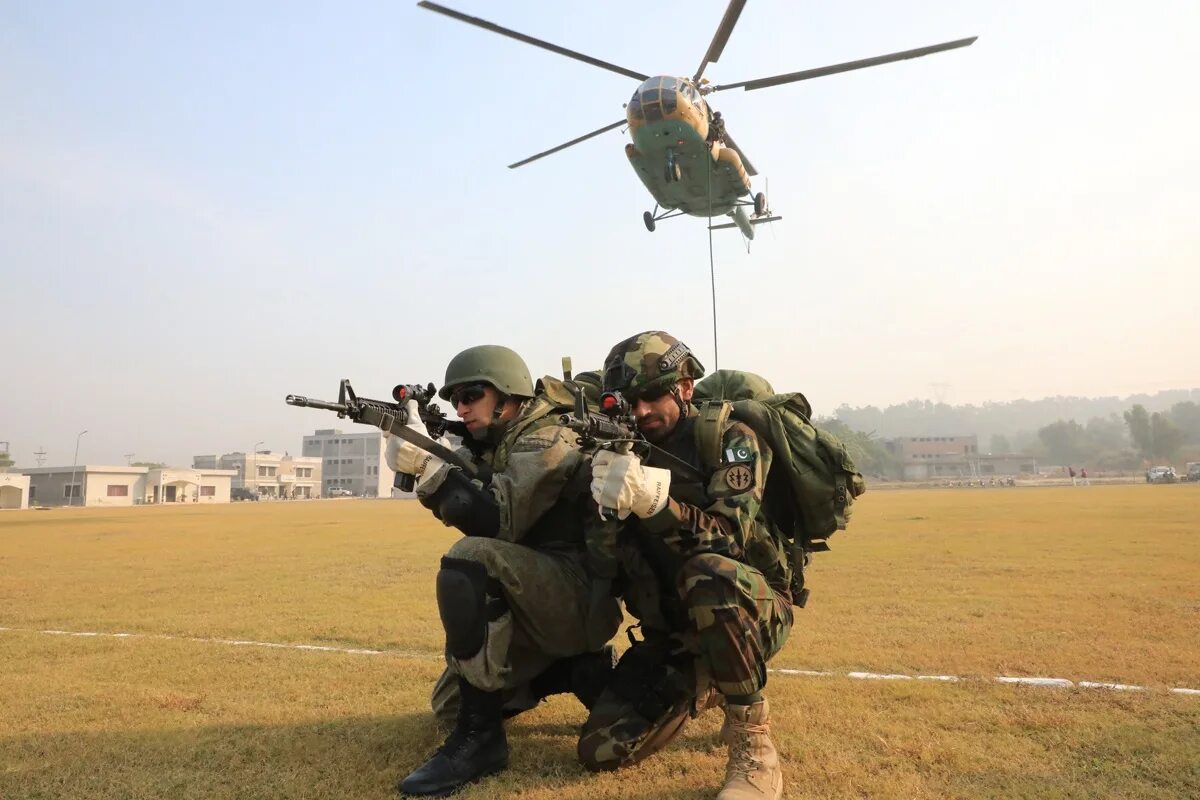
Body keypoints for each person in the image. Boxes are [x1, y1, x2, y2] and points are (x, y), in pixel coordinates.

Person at [387, 345, 623, 797]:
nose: (462, 407)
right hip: (538, 595)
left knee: (470, 557)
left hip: (579, 597)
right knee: (448, 706)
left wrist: (425, 463)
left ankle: (482, 742)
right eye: (456, 399)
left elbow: (498, 520)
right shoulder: (502, 441)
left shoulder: (548, 438)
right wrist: (438, 450)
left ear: (510, 395)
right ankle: (570, 671)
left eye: (472, 394)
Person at [578, 331, 793, 800]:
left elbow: (729, 542)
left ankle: (755, 748)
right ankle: (709, 680)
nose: (640, 413)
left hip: (751, 607)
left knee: (709, 573)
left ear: (687, 386)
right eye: (629, 402)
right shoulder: (621, 450)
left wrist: (653, 503)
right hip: (673, 631)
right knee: (599, 751)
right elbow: (602, 565)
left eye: (652, 396)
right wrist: (604, 509)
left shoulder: (731, 440)